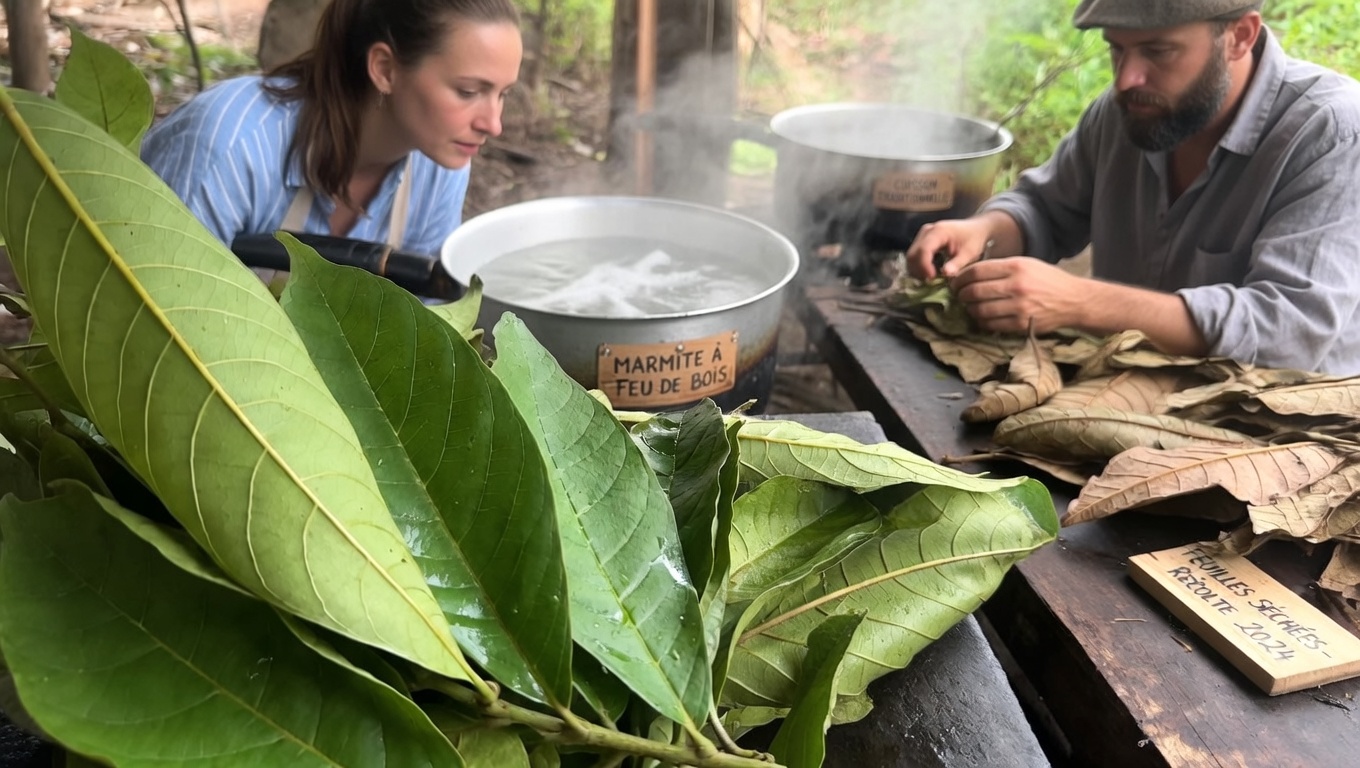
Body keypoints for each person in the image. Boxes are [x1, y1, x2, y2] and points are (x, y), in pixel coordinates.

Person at [905, 0, 1360, 375]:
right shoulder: (1130, 111)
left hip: (1286, 429)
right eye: (1116, 51)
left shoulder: (1331, 131)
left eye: (1158, 51)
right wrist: (984, 230)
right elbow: (1043, 208)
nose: (1126, 79)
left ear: (1240, 36)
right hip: (1134, 388)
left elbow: (1289, 333)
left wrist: (1080, 301)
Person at [141, 0, 523, 260]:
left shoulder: (441, 162)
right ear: (385, 69)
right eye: (469, 92)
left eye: (503, 94)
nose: (492, 124)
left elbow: (423, 326)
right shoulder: (231, 146)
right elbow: (157, 316)